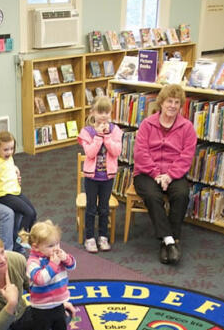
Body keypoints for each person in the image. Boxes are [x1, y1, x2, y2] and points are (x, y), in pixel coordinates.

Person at [133, 83, 197, 264]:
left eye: (177, 102)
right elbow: (140, 153)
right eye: (169, 101)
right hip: (146, 173)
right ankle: (170, 241)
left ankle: (168, 241)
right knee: (153, 196)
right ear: (161, 102)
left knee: (182, 193)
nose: (172, 106)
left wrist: (169, 176)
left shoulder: (187, 127)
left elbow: (186, 156)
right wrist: (155, 174)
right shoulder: (147, 125)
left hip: (173, 173)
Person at [22, 220, 78, 330]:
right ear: (35, 247)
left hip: (59, 303)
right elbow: (40, 279)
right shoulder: (33, 262)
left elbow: (72, 265)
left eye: (58, 243)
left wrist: (65, 258)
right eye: (51, 245)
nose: (56, 248)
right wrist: (53, 264)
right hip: (41, 307)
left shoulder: (57, 257)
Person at [78, 95, 123, 252]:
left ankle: (103, 237)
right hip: (92, 177)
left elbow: (116, 151)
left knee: (104, 208)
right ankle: (89, 238)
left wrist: (107, 137)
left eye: (107, 112)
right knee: (91, 207)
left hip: (107, 177)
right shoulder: (86, 132)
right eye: (100, 112)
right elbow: (90, 153)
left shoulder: (115, 130)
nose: (104, 116)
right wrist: (98, 137)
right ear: (93, 113)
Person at [0, 130, 37, 243]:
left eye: (12, 149)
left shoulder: (9, 158)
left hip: (16, 192)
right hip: (4, 194)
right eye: (6, 149)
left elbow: (8, 166)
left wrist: (15, 168)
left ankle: (28, 239)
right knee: (28, 213)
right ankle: (21, 241)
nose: (9, 152)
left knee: (33, 213)